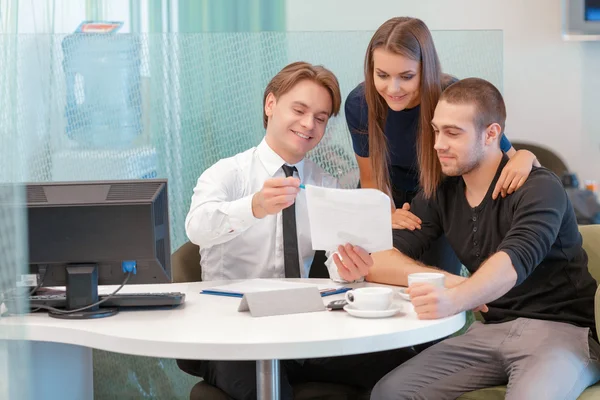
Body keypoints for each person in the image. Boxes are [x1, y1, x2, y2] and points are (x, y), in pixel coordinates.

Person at [334, 77, 600, 399]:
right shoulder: (441, 191)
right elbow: (379, 257)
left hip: (562, 332)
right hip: (488, 332)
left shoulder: (539, 187)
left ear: (491, 134)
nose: (438, 144)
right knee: (390, 392)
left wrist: (458, 299)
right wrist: (451, 283)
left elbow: (511, 263)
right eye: (436, 130)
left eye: (453, 133)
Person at [183, 61, 415, 400]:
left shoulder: (323, 183)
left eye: (321, 118)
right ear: (270, 105)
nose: (309, 124)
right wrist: (254, 207)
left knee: (404, 366)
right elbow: (197, 228)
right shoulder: (228, 173)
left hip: (303, 331)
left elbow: (335, 261)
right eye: (300, 110)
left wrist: (350, 269)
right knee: (268, 389)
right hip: (231, 333)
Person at [345, 17, 540, 275]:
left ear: (426, 70)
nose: (393, 88)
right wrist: (387, 215)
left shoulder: (450, 95)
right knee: (377, 274)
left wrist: (526, 156)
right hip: (384, 196)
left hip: (437, 197)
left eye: (406, 76)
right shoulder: (360, 103)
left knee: (437, 279)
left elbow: (506, 155)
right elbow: (371, 177)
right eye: (382, 75)